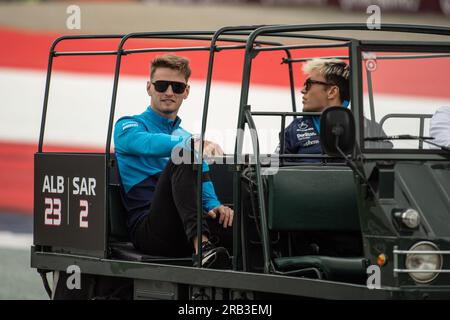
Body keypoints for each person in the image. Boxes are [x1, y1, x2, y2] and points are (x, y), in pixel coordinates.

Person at [114, 54, 233, 269]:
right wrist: (191, 142)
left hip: (182, 228)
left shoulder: (187, 138)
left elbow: (203, 178)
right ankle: (203, 248)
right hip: (149, 231)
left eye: (177, 87)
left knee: (235, 213)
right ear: (149, 87)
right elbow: (147, 143)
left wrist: (215, 205)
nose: (169, 92)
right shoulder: (128, 126)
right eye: (161, 85)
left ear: (186, 92)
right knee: (183, 153)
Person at [279, 58, 391, 159]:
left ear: (332, 92)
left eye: (308, 84)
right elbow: (276, 170)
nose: (303, 90)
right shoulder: (294, 129)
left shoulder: (369, 129)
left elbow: (385, 170)